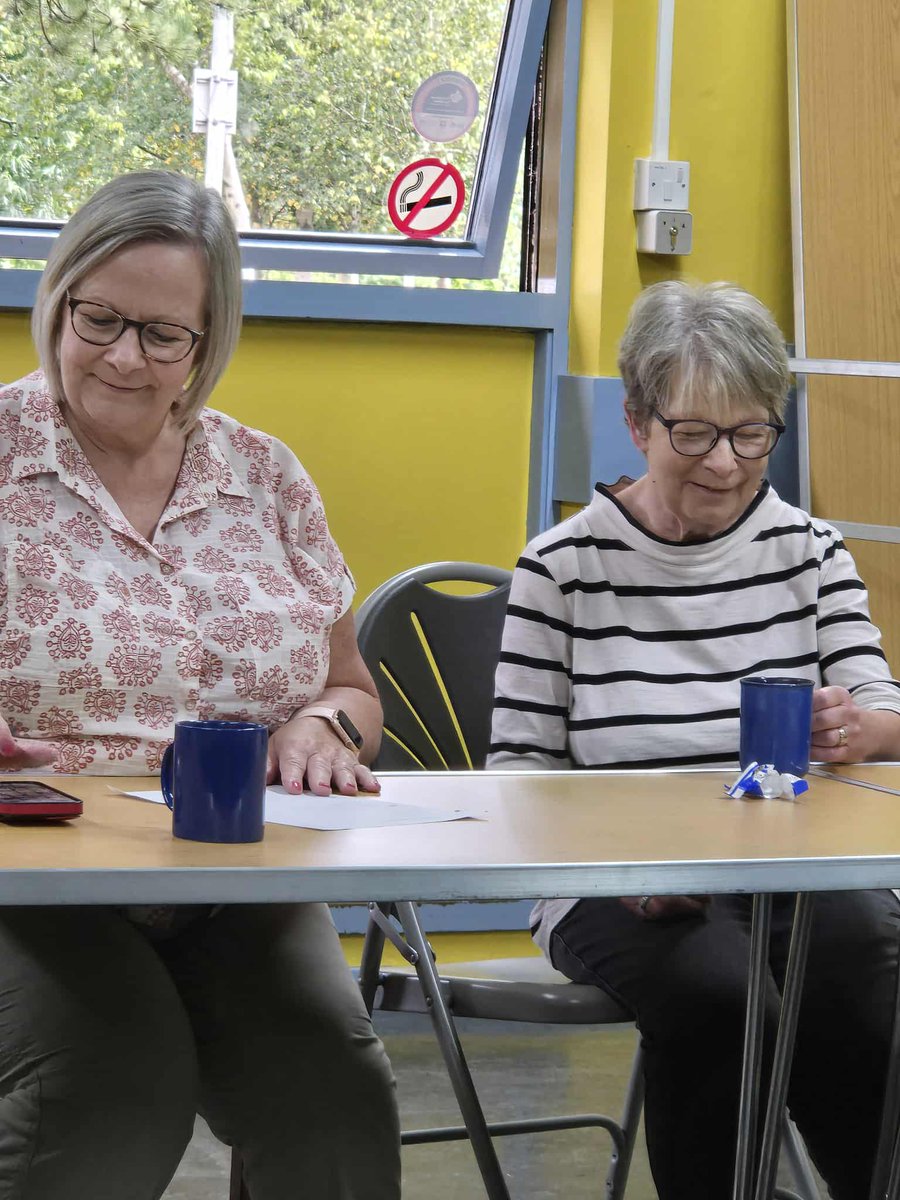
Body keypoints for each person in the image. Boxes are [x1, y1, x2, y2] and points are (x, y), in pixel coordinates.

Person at [0, 171, 399, 1199]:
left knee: (332, 1092)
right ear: (57, 301)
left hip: (233, 880)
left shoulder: (265, 476)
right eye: (99, 318)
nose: (125, 356)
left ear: (208, 343)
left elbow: (354, 688)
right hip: (32, 880)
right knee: (105, 1087)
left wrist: (324, 728)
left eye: (163, 334)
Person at [489, 280, 900, 1199]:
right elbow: (516, 783)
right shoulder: (561, 569)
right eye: (695, 434)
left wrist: (859, 727)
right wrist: (624, 874)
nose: (724, 463)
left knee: (862, 961)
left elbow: (886, 714)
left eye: (751, 434)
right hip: (610, 879)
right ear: (636, 422)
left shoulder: (811, 552)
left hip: (785, 860)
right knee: (719, 999)